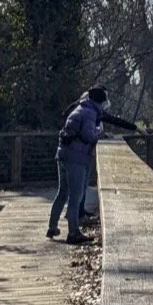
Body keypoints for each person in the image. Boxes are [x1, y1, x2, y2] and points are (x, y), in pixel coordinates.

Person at [49, 85, 139, 242]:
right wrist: (101, 134)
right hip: (76, 157)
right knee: (76, 195)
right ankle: (73, 233)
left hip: (63, 154)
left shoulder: (81, 108)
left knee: (62, 192)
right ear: (101, 101)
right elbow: (89, 135)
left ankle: (52, 227)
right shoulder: (90, 113)